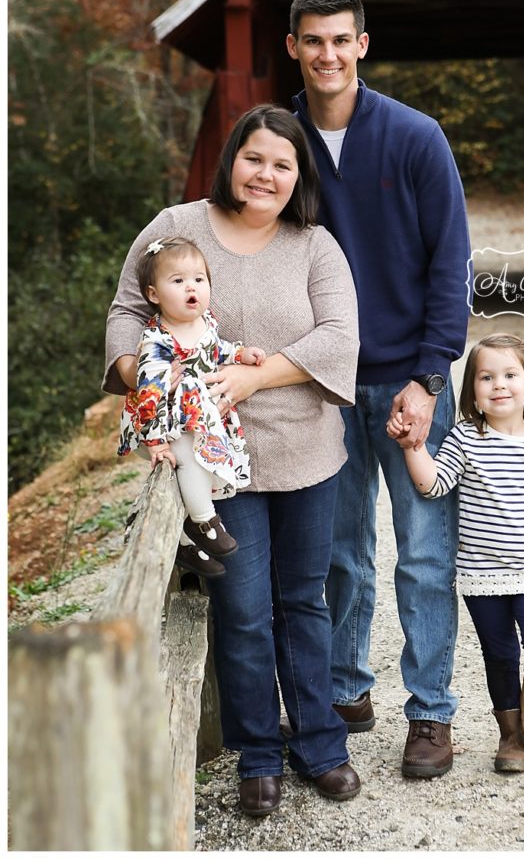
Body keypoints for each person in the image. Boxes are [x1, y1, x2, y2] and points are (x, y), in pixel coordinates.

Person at [103, 104, 361, 816]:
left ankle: (320, 745)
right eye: (255, 158)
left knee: (303, 601)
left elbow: (341, 337)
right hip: (218, 463)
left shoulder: (315, 246)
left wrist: (255, 376)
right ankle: (257, 755)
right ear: (232, 160)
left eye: (284, 164)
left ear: (298, 175)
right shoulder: (174, 227)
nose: (266, 175)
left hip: (306, 450)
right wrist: (138, 375)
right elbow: (128, 306)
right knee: (242, 608)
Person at [286, 0, 472, 778]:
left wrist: (430, 378)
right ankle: (345, 689)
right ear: (293, 47)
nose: (327, 54)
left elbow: (450, 264)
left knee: (425, 553)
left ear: (363, 44)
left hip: (409, 380)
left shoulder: (415, 136)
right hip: (321, 385)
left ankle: (430, 714)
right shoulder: (276, 142)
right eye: (312, 40)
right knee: (340, 551)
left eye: (341, 39)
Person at [387, 333, 524, 773]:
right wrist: (414, 449)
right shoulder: (465, 439)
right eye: (486, 377)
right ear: (472, 389)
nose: (499, 385)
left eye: (510, 375)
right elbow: (432, 485)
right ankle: (512, 738)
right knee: (500, 655)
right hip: (482, 575)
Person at [118, 235, 266, 579]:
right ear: (154, 295)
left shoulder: (205, 323)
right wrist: (156, 442)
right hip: (157, 422)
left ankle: (185, 542)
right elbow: (150, 395)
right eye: (178, 281)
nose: (192, 288)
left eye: (199, 279)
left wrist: (238, 355)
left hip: (192, 418)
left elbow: (214, 350)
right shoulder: (157, 340)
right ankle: (203, 520)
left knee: (203, 455)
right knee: (189, 455)